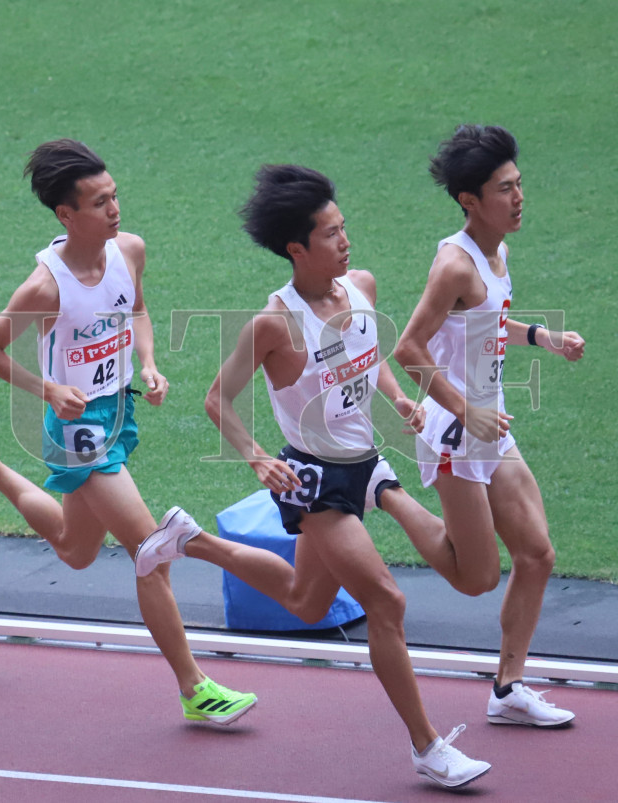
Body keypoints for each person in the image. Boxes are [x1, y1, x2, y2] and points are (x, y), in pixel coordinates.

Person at [134, 164, 491, 788]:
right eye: (330, 234)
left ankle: (192, 540)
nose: (345, 241)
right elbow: (218, 399)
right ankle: (428, 747)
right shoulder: (275, 324)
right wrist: (255, 456)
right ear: (296, 248)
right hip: (314, 482)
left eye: (343, 227)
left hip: (366, 464)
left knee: (307, 600)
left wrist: (395, 398)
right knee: (387, 600)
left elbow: (368, 355)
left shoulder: (362, 287)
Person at [0, 138, 257, 725]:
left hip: (118, 410)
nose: (115, 209)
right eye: (100, 202)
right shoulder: (46, 287)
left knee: (76, 550)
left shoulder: (128, 250)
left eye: (115, 196)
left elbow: (137, 310)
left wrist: (149, 363)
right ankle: (195, 689)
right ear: (66, 214)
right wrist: (49, 390)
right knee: (151, 552)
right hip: (76, 427)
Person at [393, 124, 583, 727]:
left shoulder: (498, 252)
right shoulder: (454, 264)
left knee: (538, 554)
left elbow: (489, 322)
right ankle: (384, 493)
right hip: (456, 432)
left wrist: (543, 337)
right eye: (505, 189)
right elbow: (408, 348)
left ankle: (507, 690)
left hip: (489, 422)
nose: (519, 197)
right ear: (469, 201)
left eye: (519, 184)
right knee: (476, 578)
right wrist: (463, 409)